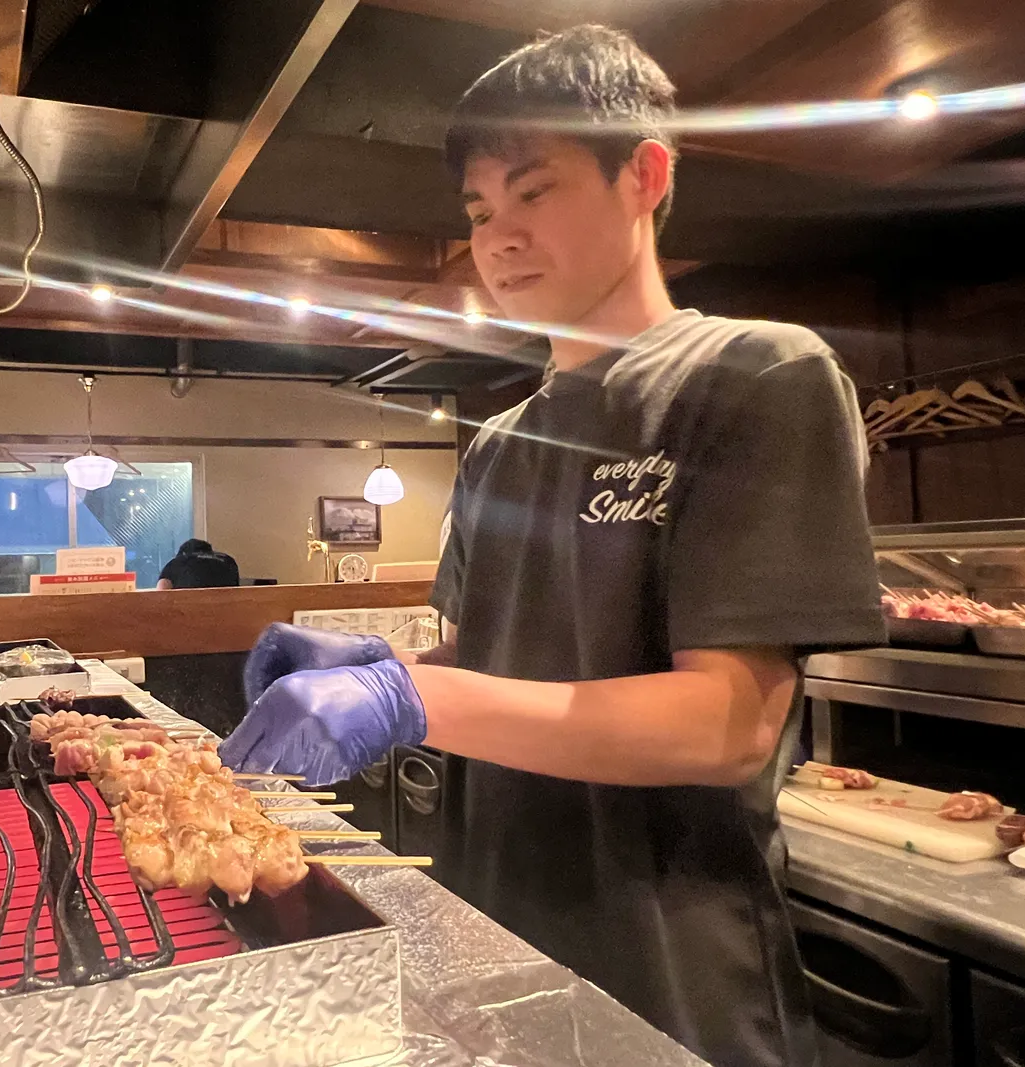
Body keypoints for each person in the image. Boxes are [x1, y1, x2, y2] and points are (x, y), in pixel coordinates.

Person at [218, 26, 884, 1067]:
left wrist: (412, 699)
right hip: (498, 934)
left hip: (671, 962)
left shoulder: (752, 375)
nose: (498, 238)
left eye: (534, 192)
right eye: (481, 211)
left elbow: (729, 724)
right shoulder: (497, 443)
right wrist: (391, 669)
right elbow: (500, 664)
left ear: (644, 176)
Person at [156, 538, 240, 590]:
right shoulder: (228, 560)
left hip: (188, 612)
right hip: (226, 613)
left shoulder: (176, 563)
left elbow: (161, 593)